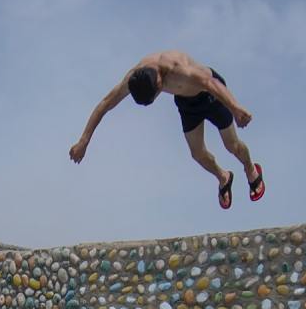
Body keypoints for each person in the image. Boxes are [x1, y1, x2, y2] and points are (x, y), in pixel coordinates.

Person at [69, 50, 265, 210]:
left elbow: (210, 83)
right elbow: (105, 103)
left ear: (159, 83)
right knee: (197, 154)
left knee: (232, 145)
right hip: (186, 103)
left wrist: (236, 108)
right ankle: (224, 177)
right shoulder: (135, 77)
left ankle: (250, 170)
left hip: (211, 95)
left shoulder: (179, 70)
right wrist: (84, 141)